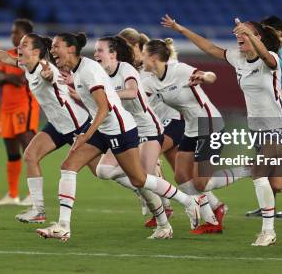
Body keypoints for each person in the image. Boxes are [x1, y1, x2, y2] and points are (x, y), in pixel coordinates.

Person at [161, 15, 282, 245]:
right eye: (238, 32)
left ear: (256, 37)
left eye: (244, 33)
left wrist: (248, 33)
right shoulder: (238, 58)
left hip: (279, 126)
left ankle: (268, 232)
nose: (238, 35)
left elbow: (267, 59)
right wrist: (181, 29)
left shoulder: (272, 60)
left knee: (259, 176)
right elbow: (209, 47)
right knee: (276, 184)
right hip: (256, 129)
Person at [35, 32, 200, 242]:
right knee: (71, 166)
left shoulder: (89, 71)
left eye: (56, 46)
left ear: (70, 49)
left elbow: (104, 108)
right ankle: (63, 226)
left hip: (120, 129)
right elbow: (94, 103)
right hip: (104, 129)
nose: (52, 50)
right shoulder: (80, 71)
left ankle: (187, 202)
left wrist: (86, 134)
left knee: (139, 179)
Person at [0, 31, 91, 222]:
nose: (19, 48)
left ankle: (145, 190)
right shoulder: (26, 65)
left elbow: (49, 77)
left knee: (103, 172)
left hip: (78, 126)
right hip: (57, 126)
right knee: (30, 155)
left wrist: (49, 76)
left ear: (36, 51)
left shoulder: (44, 69)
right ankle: (38, 210)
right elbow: (6, 57)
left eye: (24, 45)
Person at [141, 36, 233, 235]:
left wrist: (204, 77)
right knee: (181, 175)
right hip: (191, 127)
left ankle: (249, 170)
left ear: (154, 57)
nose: (142, 59)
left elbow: (211, 76)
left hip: (209, 124)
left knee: (200, 182)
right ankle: (211, 221)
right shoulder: (149, 80)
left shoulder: (179, 70)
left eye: (144, 55)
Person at [91, 35, 174, 238]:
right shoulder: (100, 74)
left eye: (99, 50)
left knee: (143, 179)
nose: (95, 54)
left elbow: (132, 92)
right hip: (127, 128)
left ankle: (173, 214)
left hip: (147, 128)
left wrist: (109, 94)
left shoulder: (126, 69)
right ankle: (151, 193)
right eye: (95, 50)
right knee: (104, 170)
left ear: (113, 53)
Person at [119, 27, 180, 226]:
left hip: (172, 121)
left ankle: (163, 207)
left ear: (136, 46)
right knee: (184, 176)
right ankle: (212, 206)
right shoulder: (135, 70)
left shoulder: (149, 69)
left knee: (140, 165)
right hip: (159, 123)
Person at [246, 16, 282, 219]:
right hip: (261, 116)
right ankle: (268, 207)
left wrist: (270, 90)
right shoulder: (261, 54)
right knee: (271, 168)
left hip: (278, 112)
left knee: (281, 163)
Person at [0, 19, 41, 205]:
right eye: (13, 33)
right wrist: (7, 78)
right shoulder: (9, 56)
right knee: (11, 152)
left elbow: (23, 80)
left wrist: (6, 77)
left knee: (29, 150)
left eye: (17, 33)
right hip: (6, 109)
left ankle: (33, 195)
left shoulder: (31, 57)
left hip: (24, 107)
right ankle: (12, 194)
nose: (14, 36)